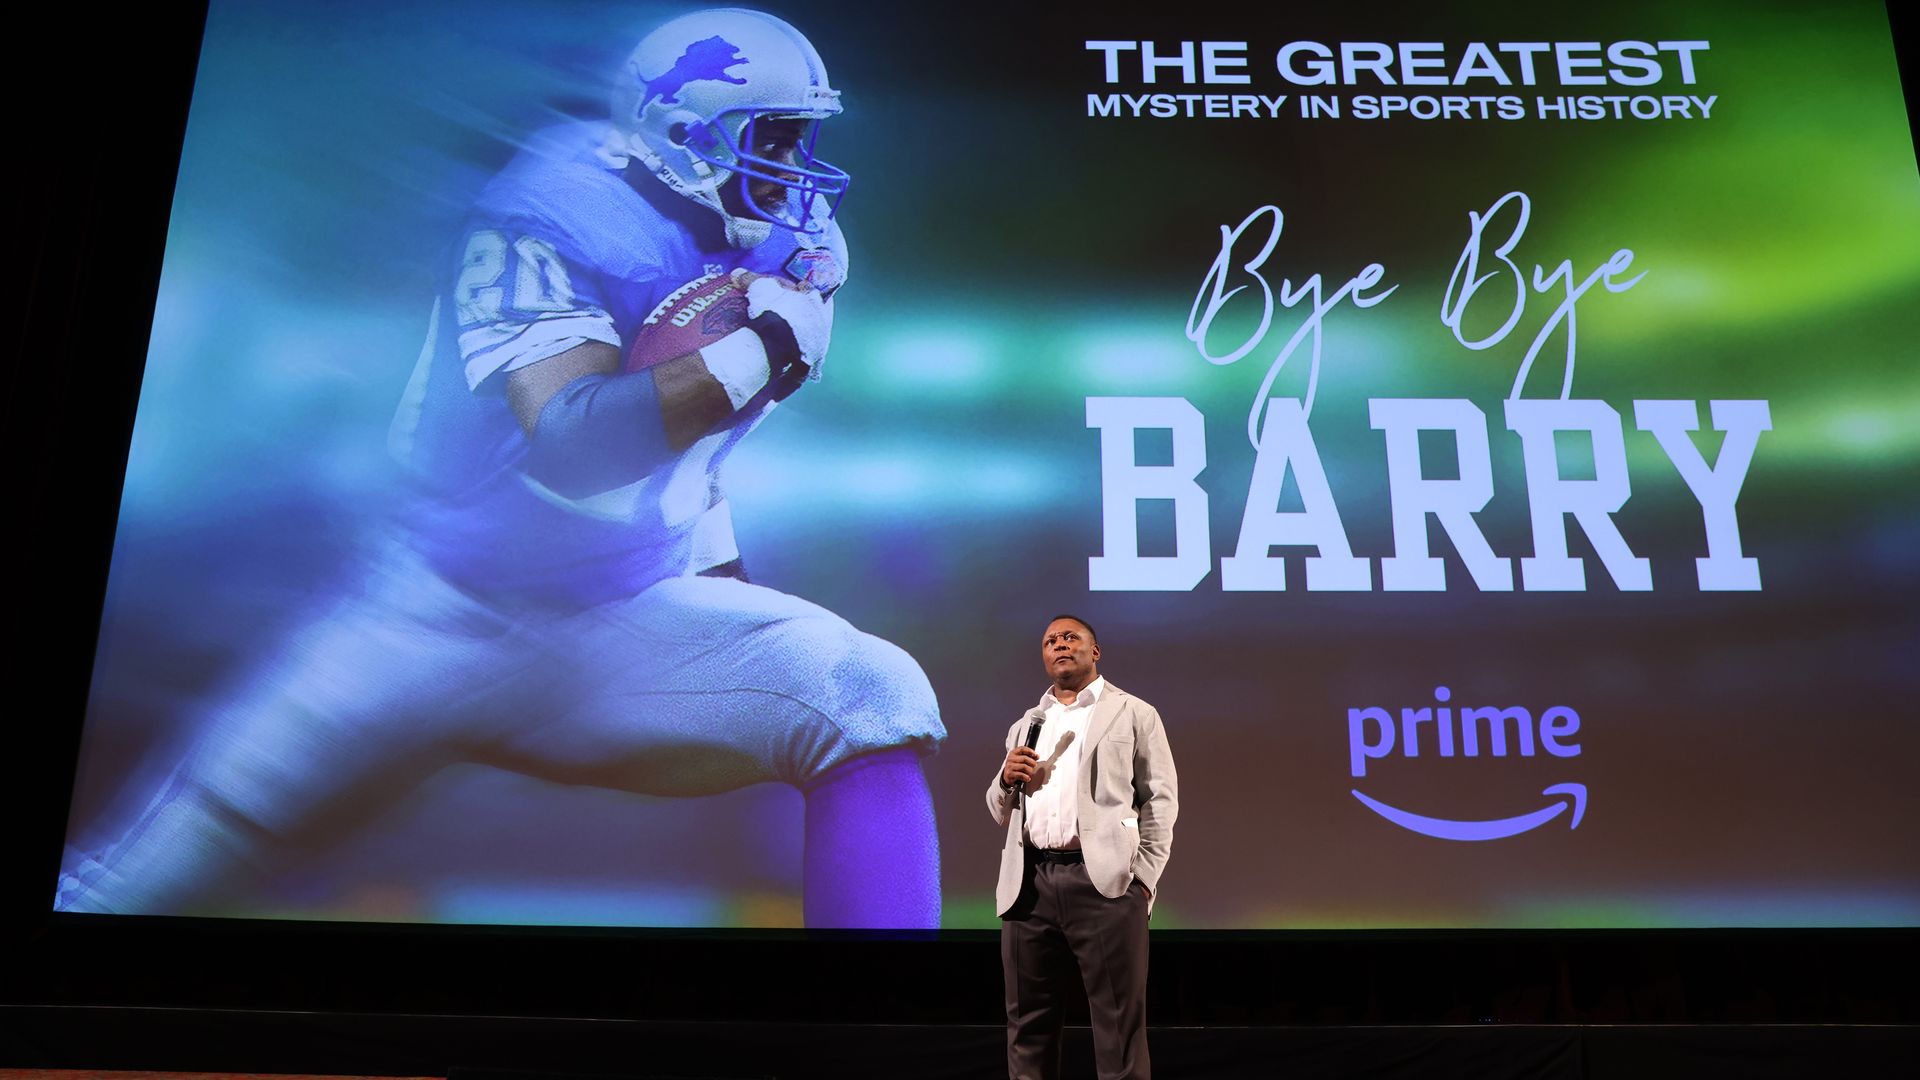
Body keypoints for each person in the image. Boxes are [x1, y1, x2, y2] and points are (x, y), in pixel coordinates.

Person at [56, 8, 945, 929]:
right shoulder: (552, 207)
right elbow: (577, 441)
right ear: (687, 134)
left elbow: (700, 446)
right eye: (778, 137)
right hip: (433, 611)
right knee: (141, 882)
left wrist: (722, 590)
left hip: (617, 612)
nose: (799, 169)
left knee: (865, 692)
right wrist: (761, 346)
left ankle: (870, 1027)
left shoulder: (782, 245)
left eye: (804, 139)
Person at [989, 615, 1177, 1079]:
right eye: (1051, 640)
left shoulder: (1133, 712)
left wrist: (1143, 882)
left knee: (1118, 1027)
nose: (1060, 645)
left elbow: (1160, 800)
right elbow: (999, 809)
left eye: (1071, 637)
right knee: (1026, 1027)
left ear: (1095, 651)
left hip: (1105, 885)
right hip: (1029, 886)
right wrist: (1004, 779)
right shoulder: (1026, 725)